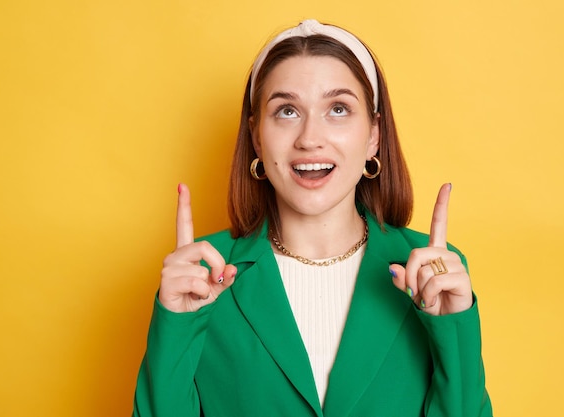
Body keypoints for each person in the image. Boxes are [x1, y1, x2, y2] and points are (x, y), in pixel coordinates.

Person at [132, 19, 492, 417]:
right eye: (286, 111)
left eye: (338, 109)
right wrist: (176, 329)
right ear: (256, 136)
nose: (309, 137)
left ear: (373, 134)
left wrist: (452, 332)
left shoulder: (431, 272)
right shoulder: (200, 279)